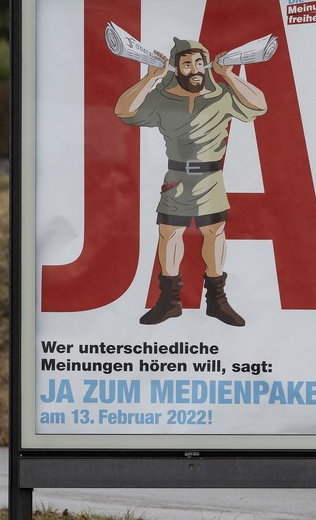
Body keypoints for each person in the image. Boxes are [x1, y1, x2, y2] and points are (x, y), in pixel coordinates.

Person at [114, 37, 267, 327]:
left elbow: (259, 106)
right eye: (187, 63)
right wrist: (150, 77)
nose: (194, 68)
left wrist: (229, 76)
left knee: (214, 233)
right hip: (177, 178)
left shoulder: (220, 95)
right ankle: (169, 302)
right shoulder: (162, 97)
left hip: (210, 177)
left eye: (199, 62)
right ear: (177, 67)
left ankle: (217, 302)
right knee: (169, 233)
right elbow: (124, 110)